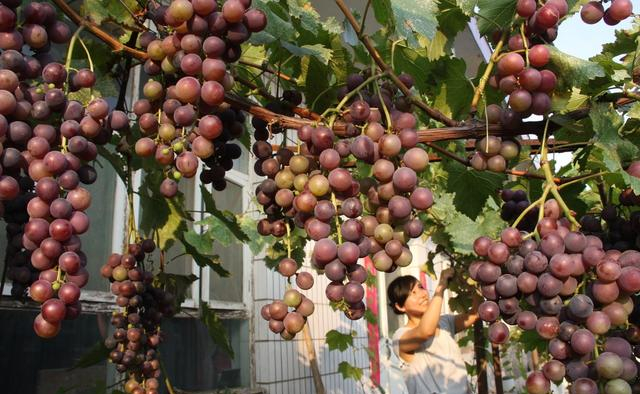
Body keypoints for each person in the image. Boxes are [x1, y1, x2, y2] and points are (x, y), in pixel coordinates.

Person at [387, 268, 481, 394]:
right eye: (413, 293)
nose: (422, 294)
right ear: (400, 306)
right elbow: (425, 331)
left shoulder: (444, 322)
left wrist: (477, 282)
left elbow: (475, 314)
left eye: (421, 287)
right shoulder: (400, 337)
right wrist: (441, 286)